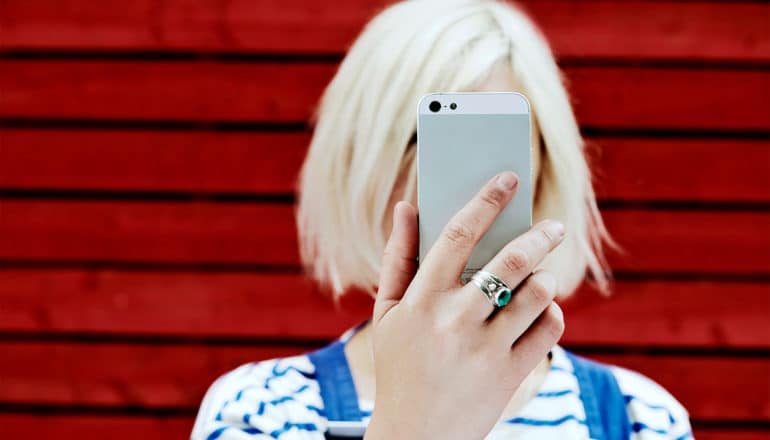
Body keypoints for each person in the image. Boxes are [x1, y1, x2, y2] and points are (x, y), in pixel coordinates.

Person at [191, 0, 693, 438]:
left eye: (496, 145)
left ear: (544, 171)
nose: (468, 194)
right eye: (423, 140)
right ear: (358, 162)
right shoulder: (260, 411)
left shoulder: (640, 419)